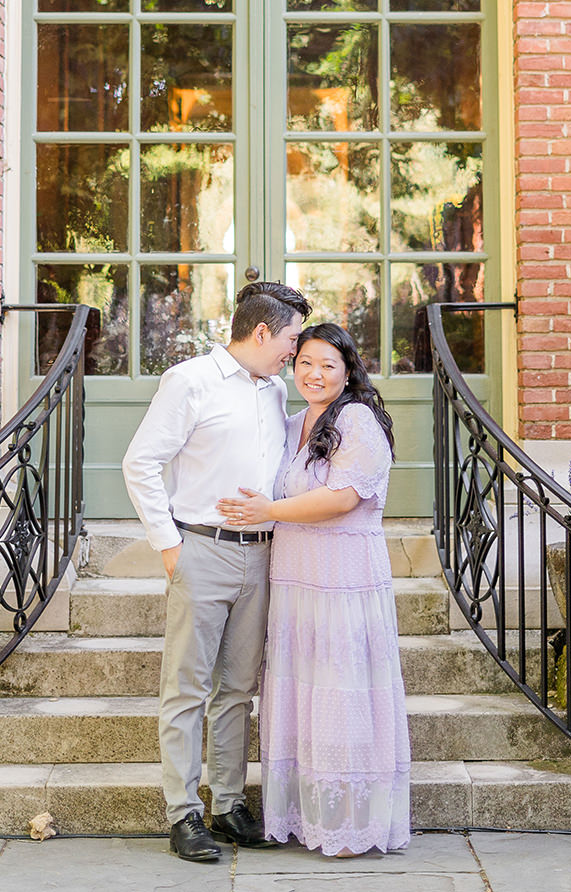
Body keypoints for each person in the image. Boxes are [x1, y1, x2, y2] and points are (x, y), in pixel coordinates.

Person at [122, 280, 311, 865]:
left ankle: (228, 805)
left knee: (238, 690)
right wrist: (169, 546)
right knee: (186, 688)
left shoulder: (275, 390)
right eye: (290, 338)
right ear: (261, 332)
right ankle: (183, 814)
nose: (293, 350)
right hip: (200, 549)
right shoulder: (190, 381)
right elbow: (141, 462)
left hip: (261, 555)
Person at [216, 321, 410, 858]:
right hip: (297, 585)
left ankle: (350, 824)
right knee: (305, 695)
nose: (315, 373)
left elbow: (343, 498)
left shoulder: (357, 420)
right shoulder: (297, 421)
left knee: (341, 693)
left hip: (342, 582)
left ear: (348, 370)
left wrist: (268, 512)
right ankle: (311, 816)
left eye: (328, 364)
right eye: (305, 362)